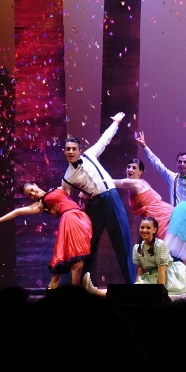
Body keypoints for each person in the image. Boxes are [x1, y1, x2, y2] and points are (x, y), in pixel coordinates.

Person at [61, 112, 135, 284]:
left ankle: (131, 284)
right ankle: (83, 284)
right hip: (94, 204)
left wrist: (116, 123)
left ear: (80, 151)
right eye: (68, 149)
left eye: (74, 149)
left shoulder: (89, 155)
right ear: (64, 152)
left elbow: (104, 140)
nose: (71, 152)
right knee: (89, 245)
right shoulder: (67, 177)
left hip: (111, 197)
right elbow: (62, 196)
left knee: (122, 240)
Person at [83, 216, 186, 300]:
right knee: (132, 293)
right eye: (142, 227)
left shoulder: (160, 245)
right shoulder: (138, 248)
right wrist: (138, 285)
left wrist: (160, 293)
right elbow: (140, 271)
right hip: (152, 277)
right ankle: (97, 292)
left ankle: (97, 293)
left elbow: (162, 271)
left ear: (154, 230)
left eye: (148, 228)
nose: (144, 230)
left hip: (168, 277)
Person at [0, 183, 92, 289]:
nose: (33, 194)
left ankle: (58, 287)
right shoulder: (41, 204)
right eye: (30, 195)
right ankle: (74, 289)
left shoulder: (57, 188)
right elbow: (17, 212)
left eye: (32, 190)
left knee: (74, 254)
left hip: (81, 217)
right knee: (77, 255)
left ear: (35, 185)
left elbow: (70, 183)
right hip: (71, 219)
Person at [112, 158, 173, 240]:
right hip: (162, 212)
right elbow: (157, 196)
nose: (130, 169)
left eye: (134, 168)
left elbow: (112, 182)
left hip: (160, 216)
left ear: (140, 172)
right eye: (129, 167)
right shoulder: (142, 181)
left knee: (165, 242)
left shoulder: (134, 183)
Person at [135, 131, 186, 206]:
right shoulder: (172, 178)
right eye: (180, 162)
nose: (182, 164)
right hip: (175, 213)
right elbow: (157, 164)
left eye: (185, 162)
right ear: (177, 164)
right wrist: (144, 146)